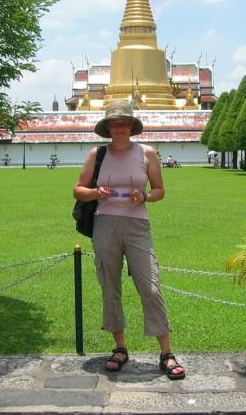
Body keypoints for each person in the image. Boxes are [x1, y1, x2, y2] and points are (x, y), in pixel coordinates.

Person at [73, 101, 186, 380]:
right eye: (114, 123)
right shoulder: (97, 155)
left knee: (150, 287)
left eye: (124, 123)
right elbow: (78, 190)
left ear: (132, 127)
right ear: (108, 128)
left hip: (137, 225)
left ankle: (166, 352)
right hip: (105, 224)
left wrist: (144, 196)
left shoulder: (146, 153)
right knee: (110, 285)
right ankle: (120, 347)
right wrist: (96, 192)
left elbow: (160, 190)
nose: (119, 128)